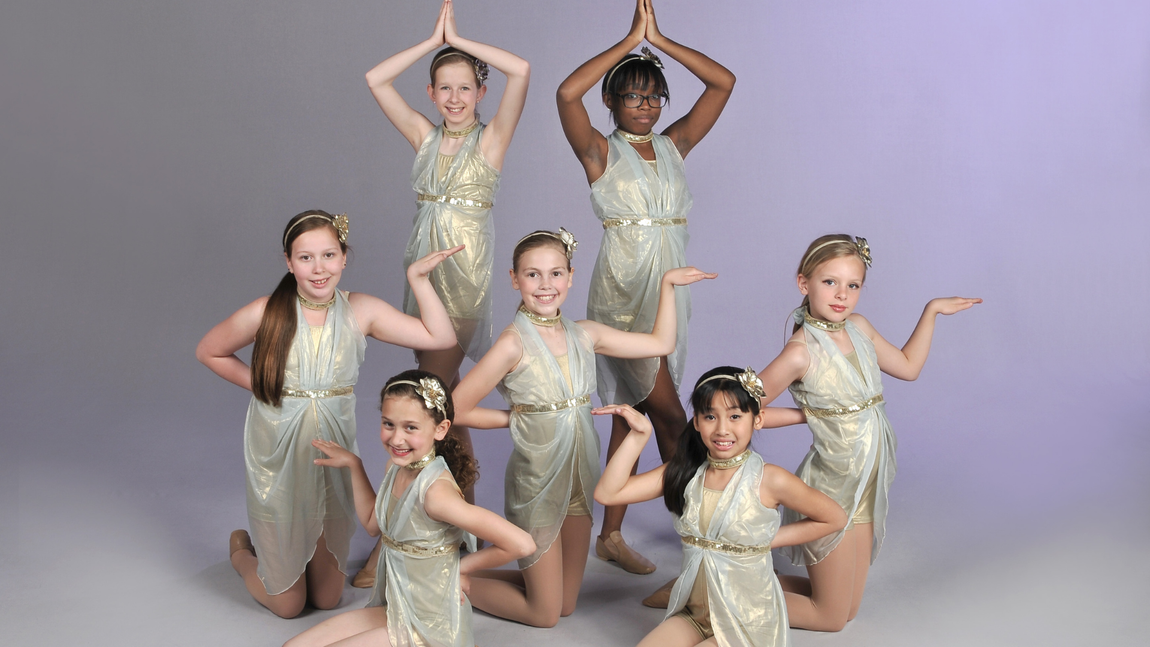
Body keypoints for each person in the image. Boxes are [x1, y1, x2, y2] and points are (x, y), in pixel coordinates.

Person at [195, 210, 460, 618]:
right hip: (280, 445)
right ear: (288, 261)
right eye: (305, 258)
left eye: (328, 255)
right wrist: (263, 386)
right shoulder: (267, 311)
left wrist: (418, 281)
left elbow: (439, 337)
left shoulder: (360, 309)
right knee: (288, 606)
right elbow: (209, 350)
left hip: (332, 444)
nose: (319, 269)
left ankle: (298, 558)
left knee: (327, 599)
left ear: (343, 258)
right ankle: (242, 554)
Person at [450, 229, 716, 627]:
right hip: (537, 481)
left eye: (555, 274)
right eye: (533, 275)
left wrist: (666, 285)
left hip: (579, 477)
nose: (545, 285)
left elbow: (661, 342)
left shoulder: (585, 333)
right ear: (513, 278)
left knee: (565, 605)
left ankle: (471, 573)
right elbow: (452, 411)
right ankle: (446, 579)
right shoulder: (512, 343)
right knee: (545, 615)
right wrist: (515, 417)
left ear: (571, 277)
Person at [556, 0, 735, 574]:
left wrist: (661, 39)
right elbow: (565, 94)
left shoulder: (674, 147)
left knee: (630, 410)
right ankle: (702, 531)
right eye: (633, 95)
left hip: (670, 293)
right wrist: (629, 39)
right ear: (611, 101)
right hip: (623, 294)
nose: (647, 106)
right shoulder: (599, 151)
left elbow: (722, 82)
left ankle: (610, 534)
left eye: (655, 96)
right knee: (672, 419)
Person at [356, 0, 530, 588]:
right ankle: (452, 526)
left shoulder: (491, 142)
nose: (455, 98)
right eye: (444, 88)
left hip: (463, 280)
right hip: (422, 273)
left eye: (465, 87)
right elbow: (375, 80)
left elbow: (523, 70)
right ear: (430, 92)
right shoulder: (424, 136)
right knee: (445, 407)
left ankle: (406, 533)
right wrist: (434, 39)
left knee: (433, 406)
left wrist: (464, 40)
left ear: (479, 90)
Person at [755, 234, 981, 631]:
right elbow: (740, 410)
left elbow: (909, 367)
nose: (842, 295)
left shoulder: (859, 328)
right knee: (830, 619)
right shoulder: (800, 351)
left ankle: (731, 580)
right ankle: (717, 596)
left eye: (853, 285)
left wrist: (931, 312)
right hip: (832, 490)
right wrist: (806, 415)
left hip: (867, 485)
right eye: (830, 282)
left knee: (848, 610)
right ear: (803, 283)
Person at [594, 367, 846, 646]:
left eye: (735, 416)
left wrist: (765, 539)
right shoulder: (685, 473)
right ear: (697, 422)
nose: (722, 428)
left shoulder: (770, 479)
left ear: (757, 419)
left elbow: (834, 518)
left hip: (745, 618)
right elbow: (608, 493)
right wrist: (639, 435)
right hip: (696, 613)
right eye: (710, 416)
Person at [284, 371, 535, 647]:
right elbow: (371, 523)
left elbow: (521, 544)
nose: (396, 438)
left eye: (410, 428)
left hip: (432, 621)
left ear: (440, 429)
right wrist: (354, 466)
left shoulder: (436, 494)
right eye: (388, 424)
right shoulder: (396, 468)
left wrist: (459, 569)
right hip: (400, 607)